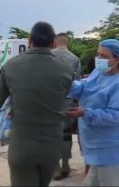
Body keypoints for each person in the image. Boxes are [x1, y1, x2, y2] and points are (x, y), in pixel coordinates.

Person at [0, 22, 74, 187]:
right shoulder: (66, 69)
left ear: (29, 39)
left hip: (22, 144)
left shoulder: (11, 65)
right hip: (52, 146)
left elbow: (0, 103)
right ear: (53, 42)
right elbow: (65, 98)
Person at [66, 39, 119, 186]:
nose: (99, 59)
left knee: (109, 181)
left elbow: (115, 115)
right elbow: (83, 87)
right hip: (97, 143)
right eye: (98, 55)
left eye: (104, 56)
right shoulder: (98, 74)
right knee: (91, 182)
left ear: (117, 59)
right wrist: (65, 83)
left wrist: (84, 113)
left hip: (111, 145)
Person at [51, 33, 81, 180]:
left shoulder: (48, 56)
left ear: (55, 42)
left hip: (50, 101)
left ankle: (55, 167)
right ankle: (66, 164)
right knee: (66, 134)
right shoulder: (74, 58)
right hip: (68, 100)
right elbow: (78, 82)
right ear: (67, 43)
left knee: (52, 133)